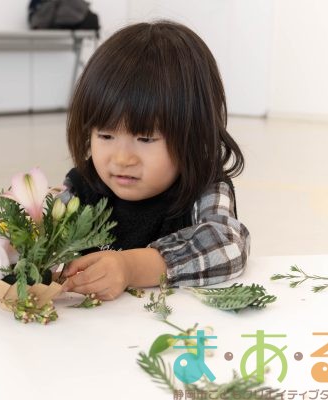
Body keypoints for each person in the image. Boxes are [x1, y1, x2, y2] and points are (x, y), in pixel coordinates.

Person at [60, 20, 250, 300]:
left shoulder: (203, 188)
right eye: (106, 136)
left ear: (193, 134)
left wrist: (131, 267)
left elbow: (229, 244)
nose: (122, 159)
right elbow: (44, 231)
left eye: (146, 139)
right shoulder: (83, 184)